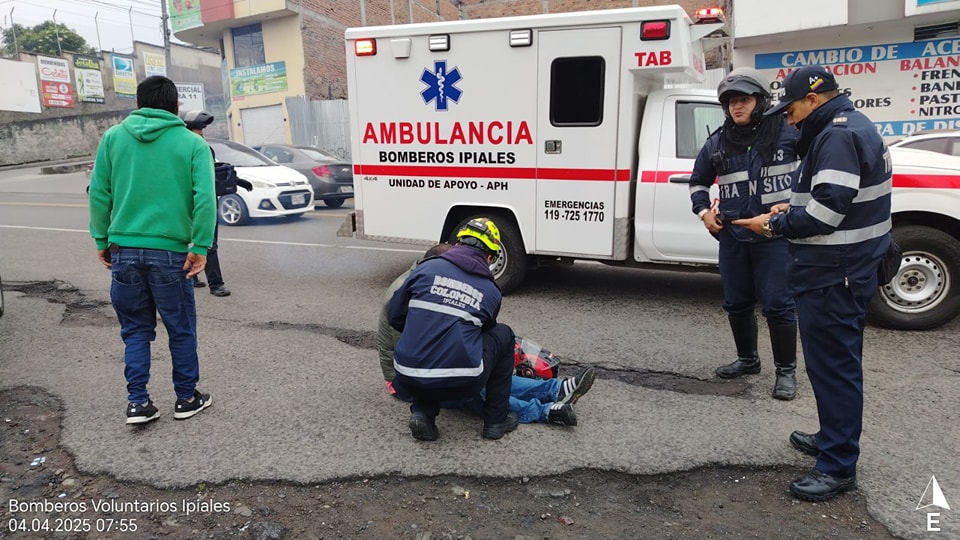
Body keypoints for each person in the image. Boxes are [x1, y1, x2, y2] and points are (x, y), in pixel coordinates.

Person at [734, 65, 892, 502]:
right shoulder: (850, 125)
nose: (789, 119)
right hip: (845, 270)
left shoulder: (837, 136)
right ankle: (832, 437)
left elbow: (826, 214)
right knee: (835, 365)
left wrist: (773, 224)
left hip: (833, 274)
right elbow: (834, 196)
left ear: (815, 100)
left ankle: (838, 466)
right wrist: (793, 204)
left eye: (793, 109)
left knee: (834, 368)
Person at [88, 75, 216, 425]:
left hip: (124, 250)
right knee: (181, 329)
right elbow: (205, 198)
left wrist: (102, 240)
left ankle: (138, 403)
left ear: (138, 106)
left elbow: (99, 193)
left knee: (135, 331)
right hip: (172, 254)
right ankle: (187, 399)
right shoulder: (191, 143)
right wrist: (200, 245)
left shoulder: (113, 139)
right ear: (176, 107)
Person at [378, 243, 596, 426]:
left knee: (479, 371)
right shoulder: (411, 288)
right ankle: (544, 411)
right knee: (479, 387)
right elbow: (420, 349)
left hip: (421, 367)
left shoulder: (423, 279)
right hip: (406, 380)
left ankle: (556, 389)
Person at [688, 67, 801, 400]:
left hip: (774, 235)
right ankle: (748, 360)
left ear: (761, 101)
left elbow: (812, 172)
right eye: (731, 102)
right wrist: (704, 212)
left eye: (744, 100)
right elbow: (698, 182)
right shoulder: (718, 142)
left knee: (779, 305)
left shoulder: (788, 133)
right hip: (734, 236)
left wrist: (792, 209)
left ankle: (786, 372)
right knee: (736, 303)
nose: (737, 107)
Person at [387, 218, 518, 441]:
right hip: (463, 382)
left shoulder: (426, 268)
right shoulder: (491, 291)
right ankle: (496, 421)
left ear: (458, 244)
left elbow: (395, 316)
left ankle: (422, 413)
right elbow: (484, 332)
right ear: (489, 257)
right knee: (503, 335)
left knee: (428, 337)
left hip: (406, 376)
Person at [179, 110, 230, 297]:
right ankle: (197, 279)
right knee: (187, 241)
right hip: (185, 202)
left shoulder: (205, 148)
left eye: (202, 132)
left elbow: (213, 172)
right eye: (197, 131)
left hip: (205, 202)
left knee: (209, 244)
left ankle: (214, 283)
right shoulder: (180, 148)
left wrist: (237, 180)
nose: (201, 135)